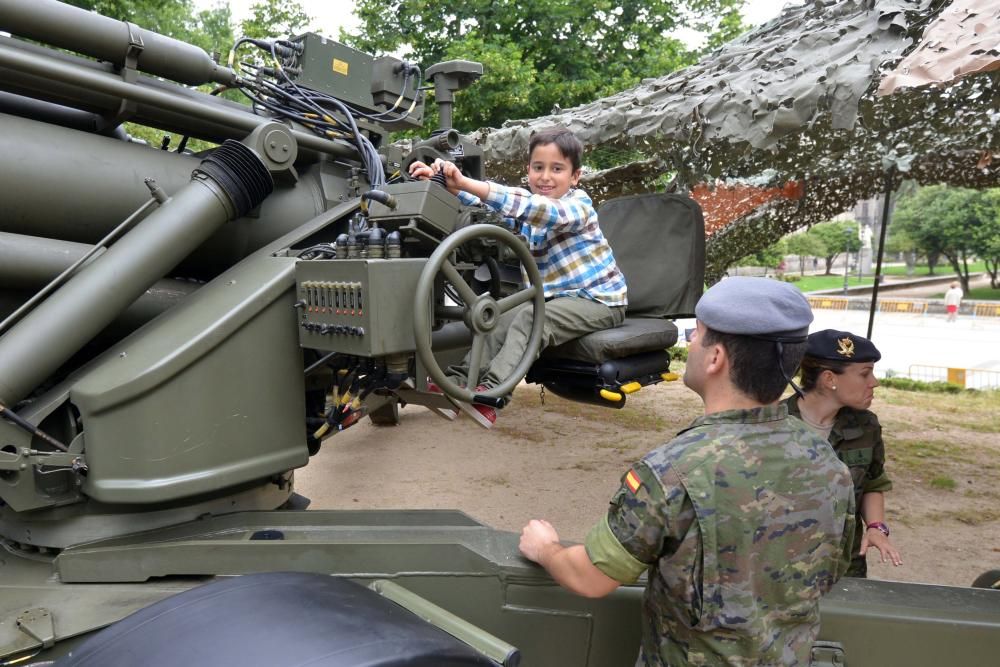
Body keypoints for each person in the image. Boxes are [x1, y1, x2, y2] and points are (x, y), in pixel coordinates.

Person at [519, 277, 855, 666]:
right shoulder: (826, 460)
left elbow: (591, 577)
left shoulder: (673, 472)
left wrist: (545, 548)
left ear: (715, 358)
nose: (690, 342)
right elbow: (829, 572)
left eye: (696, 334)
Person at [408, 127, 627, 428]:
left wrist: (467, 181)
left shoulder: (578, 207)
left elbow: (536, 209)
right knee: (499, 316)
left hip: (599, 302)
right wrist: (450, 188)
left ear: (575, 177)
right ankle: (456, 385)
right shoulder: (531, 209)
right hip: (553, 299)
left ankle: (492, 393)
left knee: (530, 319)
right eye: (538, 168)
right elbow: (491, 206)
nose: (545, 176)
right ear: (528, 171)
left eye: (557, 169)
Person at [785, 329, 902, 577]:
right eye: (865, 374)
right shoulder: (772, 424)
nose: (875, 382)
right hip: (781, 567)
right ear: (829, 379)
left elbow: (872, 482)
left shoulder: (865, 426)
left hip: (844, 566)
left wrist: (876, 527)